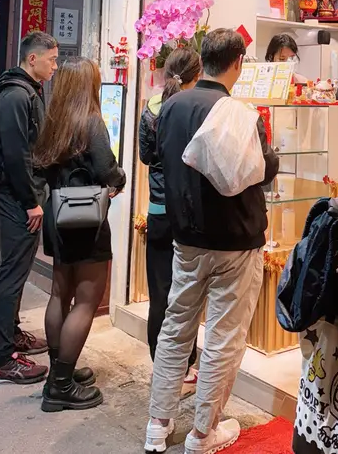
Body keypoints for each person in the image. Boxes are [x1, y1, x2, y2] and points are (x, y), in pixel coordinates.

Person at [145, 28, 279, 454]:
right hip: (236, 240)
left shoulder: (171, 106)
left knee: (175, 326)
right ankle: (203, 433)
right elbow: (265, 168)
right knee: (223, 336)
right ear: (238, 62)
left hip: (185, 238)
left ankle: (157, 424)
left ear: (202, 60)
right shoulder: (240, 113)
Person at [34, 57, 126, 412]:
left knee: (60, 293)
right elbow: (106, 169)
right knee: (86, 300)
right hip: (86, 218)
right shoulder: (91, 120)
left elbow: (40, 166)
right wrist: (118, 179)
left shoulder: (53, 119)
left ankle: (58, 372)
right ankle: (60, 386)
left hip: (57, 214)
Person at [0, 31, 58, 385]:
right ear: (33, 59)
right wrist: (31, 202)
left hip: (19, 194)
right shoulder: (16, 95)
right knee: (12, 274)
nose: (55, 66)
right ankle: (2, 360)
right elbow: (16, 155)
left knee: (17, 270)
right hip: (17, 197)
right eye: (51, 60)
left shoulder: (25, 90)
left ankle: (12, 336)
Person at [139, 48, 202, 384]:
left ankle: (160, 364)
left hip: (158, 211)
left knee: (160, 292)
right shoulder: (195, 109)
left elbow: (146, 156)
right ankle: (186, 365)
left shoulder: (151, 106)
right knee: (186, 294)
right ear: (197, 75)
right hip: (187, 213)